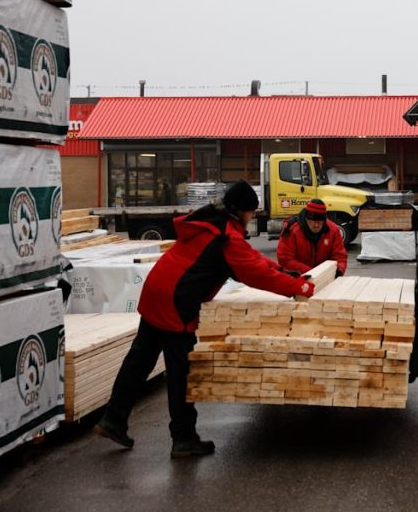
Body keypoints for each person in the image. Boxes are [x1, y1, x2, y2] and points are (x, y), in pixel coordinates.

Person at [94, 180, 313, 459]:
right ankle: (184, 438)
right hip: (176, 302)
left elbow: (255, 260)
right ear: (242, 211)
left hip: (158, 291)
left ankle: (113, 419)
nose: (252, 217)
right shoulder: (226, 238)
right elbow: (255, 273)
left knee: (139, 360)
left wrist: (283, 271)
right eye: (251, 212)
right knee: (181, 373)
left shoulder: (214, 223)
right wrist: (299, 287)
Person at [276, 198, 348, 276]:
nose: (316, 225)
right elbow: (285, 259)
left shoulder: (333, 230)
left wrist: (338, 270)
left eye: (319, 222)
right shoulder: (291, 230)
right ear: (306, 218)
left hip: (324, 278)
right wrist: (312, 273)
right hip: (298, 278)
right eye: (313, 221)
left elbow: (339, 256)